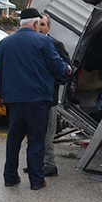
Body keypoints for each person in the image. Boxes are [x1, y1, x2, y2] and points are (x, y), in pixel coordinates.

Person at [0, 8, 70, 191]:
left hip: (13, 100)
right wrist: (67, 68)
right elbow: (57, 65)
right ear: (36, 24)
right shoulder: (43, 41)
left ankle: (10, 176)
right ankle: (36, 180)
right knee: (36, 139)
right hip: (37, 100)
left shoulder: (4, 43)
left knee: (14, 139)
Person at [28, 13, 70, 177]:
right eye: (38, 24)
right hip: (33, 98)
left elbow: (67, 70)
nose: (40, 27)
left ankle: (49, 165)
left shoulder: (56, 45)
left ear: (49, 27)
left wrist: (50, 81)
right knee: (34, 132)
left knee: (47, 134)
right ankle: (35, 164)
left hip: (49, 98)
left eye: (43, 25)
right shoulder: (31, 44)